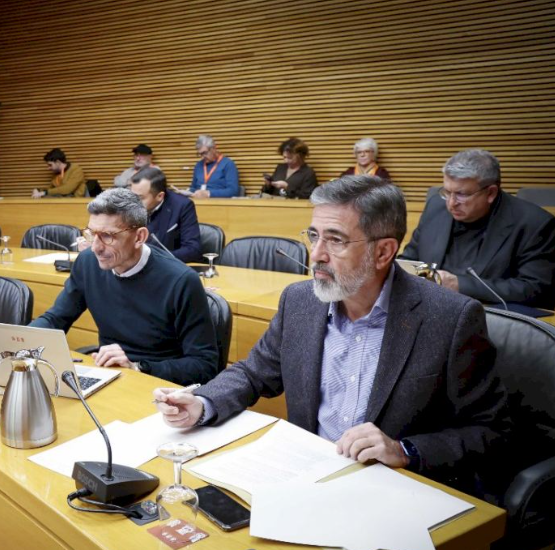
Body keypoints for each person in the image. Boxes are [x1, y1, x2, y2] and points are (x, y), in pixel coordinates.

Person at [154, 176, 509, 494]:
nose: (316, 254)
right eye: (313, 236)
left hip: (394, 489)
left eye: (335, 240)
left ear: (383, 251)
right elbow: (253, 372)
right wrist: (204, 402)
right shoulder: (300, 301)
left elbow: (491, 431)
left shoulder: (448, 318)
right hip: (305, 478)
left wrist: (405, 451)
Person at [31, 187, 218, 385]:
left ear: (139, 237)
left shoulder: (181, 280)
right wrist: (19, 341)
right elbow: (55, 319)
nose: (96, 247)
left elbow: (204, 366)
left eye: (108, 236)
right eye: (91, 233)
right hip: (109, 375)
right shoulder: (87, 263)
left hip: (159, 387)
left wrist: (137, 367)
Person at [401, 149, 555, 309]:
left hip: (489, 317)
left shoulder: (534, 224)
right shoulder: (436, 206)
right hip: (429, 309)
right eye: (447, 192)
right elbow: (411, 259)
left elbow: (535, 290)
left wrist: (459, 285)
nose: (451, 203)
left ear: (490, 193)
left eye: (461, 194)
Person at [130, 167, 201, 262]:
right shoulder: (128, 205)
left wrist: (156, 259)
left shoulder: (182, 206)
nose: (134, 202)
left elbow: (192, 250)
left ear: (160, 196)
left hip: (166, 267)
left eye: (140, 198)